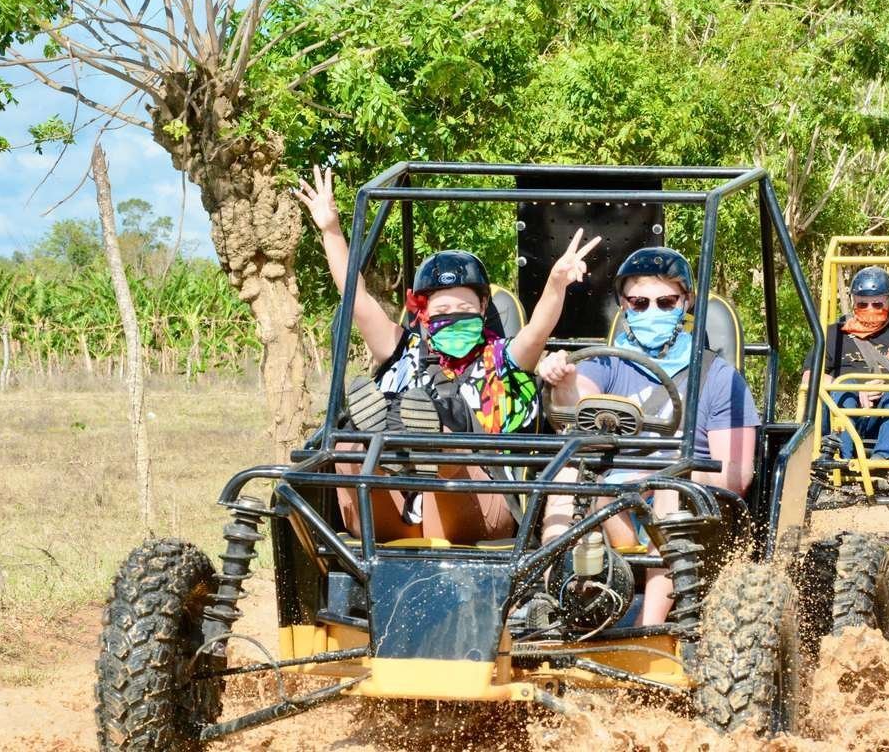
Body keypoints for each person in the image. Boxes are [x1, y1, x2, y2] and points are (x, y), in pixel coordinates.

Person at [294, 165, 599, 543]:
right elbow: (357, 301)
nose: (452, 320)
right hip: (396, 513)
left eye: (464, 310)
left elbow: (538, 328)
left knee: (447, 444)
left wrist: (556, 283)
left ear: (484, 306)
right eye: (441, 314)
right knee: (350, 444)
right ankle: (389, 446)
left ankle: (427, 442)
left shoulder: (504, 359)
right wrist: (331, 230)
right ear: (422, 314)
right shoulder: (403, 350)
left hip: (482, 504)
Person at [537, 247, 760, 625]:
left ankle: (649, 629)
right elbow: (577, 405)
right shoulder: (607, 362)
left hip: (692, 512)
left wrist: (663, 476)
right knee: (566, 476)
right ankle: (561, 607)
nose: (651, 311)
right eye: (639, 303)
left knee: (669, 489)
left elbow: (737, 475)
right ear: (623, 305)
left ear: (685, 302)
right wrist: (563, 379)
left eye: (665, 301)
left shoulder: (719, 376)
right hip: (613, 503)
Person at [819, 266, 889, 460]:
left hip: (888, 413)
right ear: (853, 303)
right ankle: (841, 458)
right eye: (863, 305)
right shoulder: (834, 334)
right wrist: (857, 388)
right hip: (841, 410)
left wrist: (887, 387)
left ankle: (885, 459)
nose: (870, 310)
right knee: (846, 386)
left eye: (877, 305)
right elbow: (811, 378)